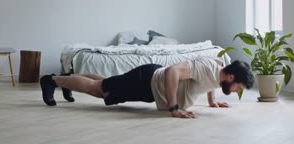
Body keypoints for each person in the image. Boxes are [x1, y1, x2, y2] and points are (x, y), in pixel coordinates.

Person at [40, 57, 254, 119]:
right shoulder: (207, 67)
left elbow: (211, 82)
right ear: (231, 76)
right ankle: (51, 81)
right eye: (238, 87)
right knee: (100, 89)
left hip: (149, 84)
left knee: (106, 81)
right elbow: (172, 71)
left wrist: (211, 101)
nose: (236, 91)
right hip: (146, 81)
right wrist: (174, 107)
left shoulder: (220, 70)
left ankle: (65, 79)